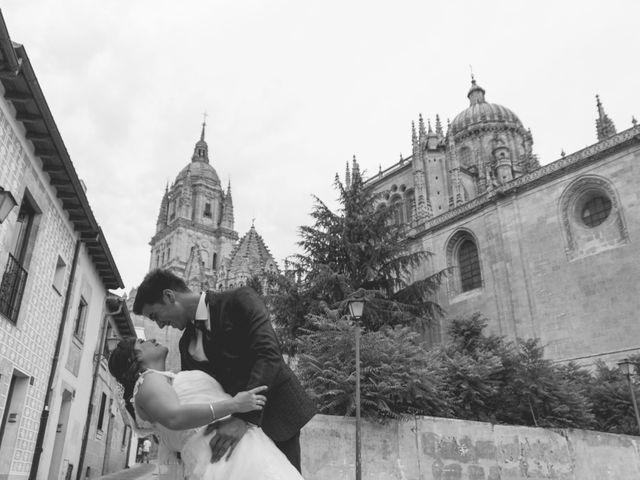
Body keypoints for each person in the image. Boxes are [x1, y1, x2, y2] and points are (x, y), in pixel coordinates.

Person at [132, 269, 316, 472]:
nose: (159, 324)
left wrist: (243, 419)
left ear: (169, 296)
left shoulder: (239, 300)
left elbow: (268, 354)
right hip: (227, 437)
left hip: (275, 416)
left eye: (155, 315)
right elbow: (198, 396)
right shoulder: (185, 344)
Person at [108, 337, 304, 480]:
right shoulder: (148, 381)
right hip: (226, 458)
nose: (150, 339)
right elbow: (175, 417)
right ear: (135, 358)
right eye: (142, 342)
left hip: (240, 450)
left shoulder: (164, 380)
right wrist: (234, 405)